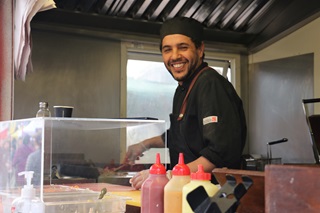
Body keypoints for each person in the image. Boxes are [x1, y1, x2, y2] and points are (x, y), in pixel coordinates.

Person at [125, 17, 247, 189]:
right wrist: (145, 144)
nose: (175, 56)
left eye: (183, 47)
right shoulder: (183, 88)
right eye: (168, 50)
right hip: (189, 193)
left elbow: (218, 153)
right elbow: (181, 134)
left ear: (200, 49)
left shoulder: (210, 83)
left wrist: (167, 175)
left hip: (213, 195)